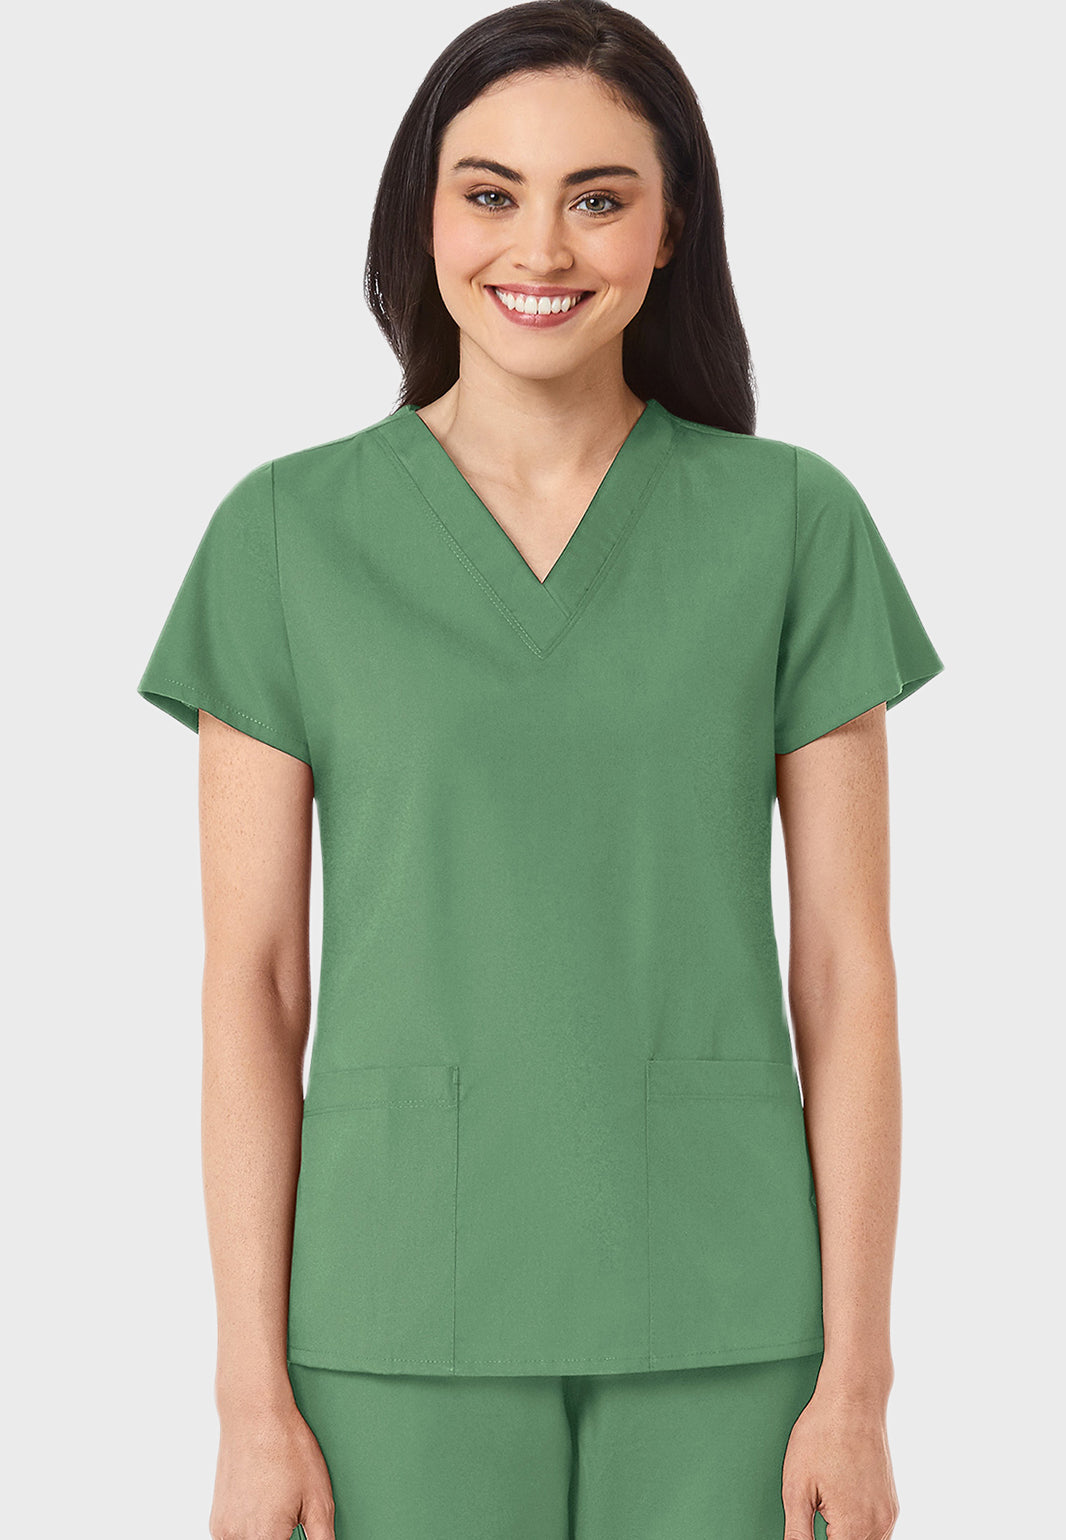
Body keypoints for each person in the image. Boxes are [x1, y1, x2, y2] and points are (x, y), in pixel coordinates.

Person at [136, 2, 945, 1536]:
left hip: (726, 1309)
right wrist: (249, 1399)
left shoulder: (792, 527)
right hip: (387, 1314)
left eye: (599, 198)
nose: (542, 248)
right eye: (492, 192)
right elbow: (253, 983)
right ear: (425, 216)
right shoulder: (284, 539)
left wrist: (859, 1383)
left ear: (670, 228)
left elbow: (847, 971)